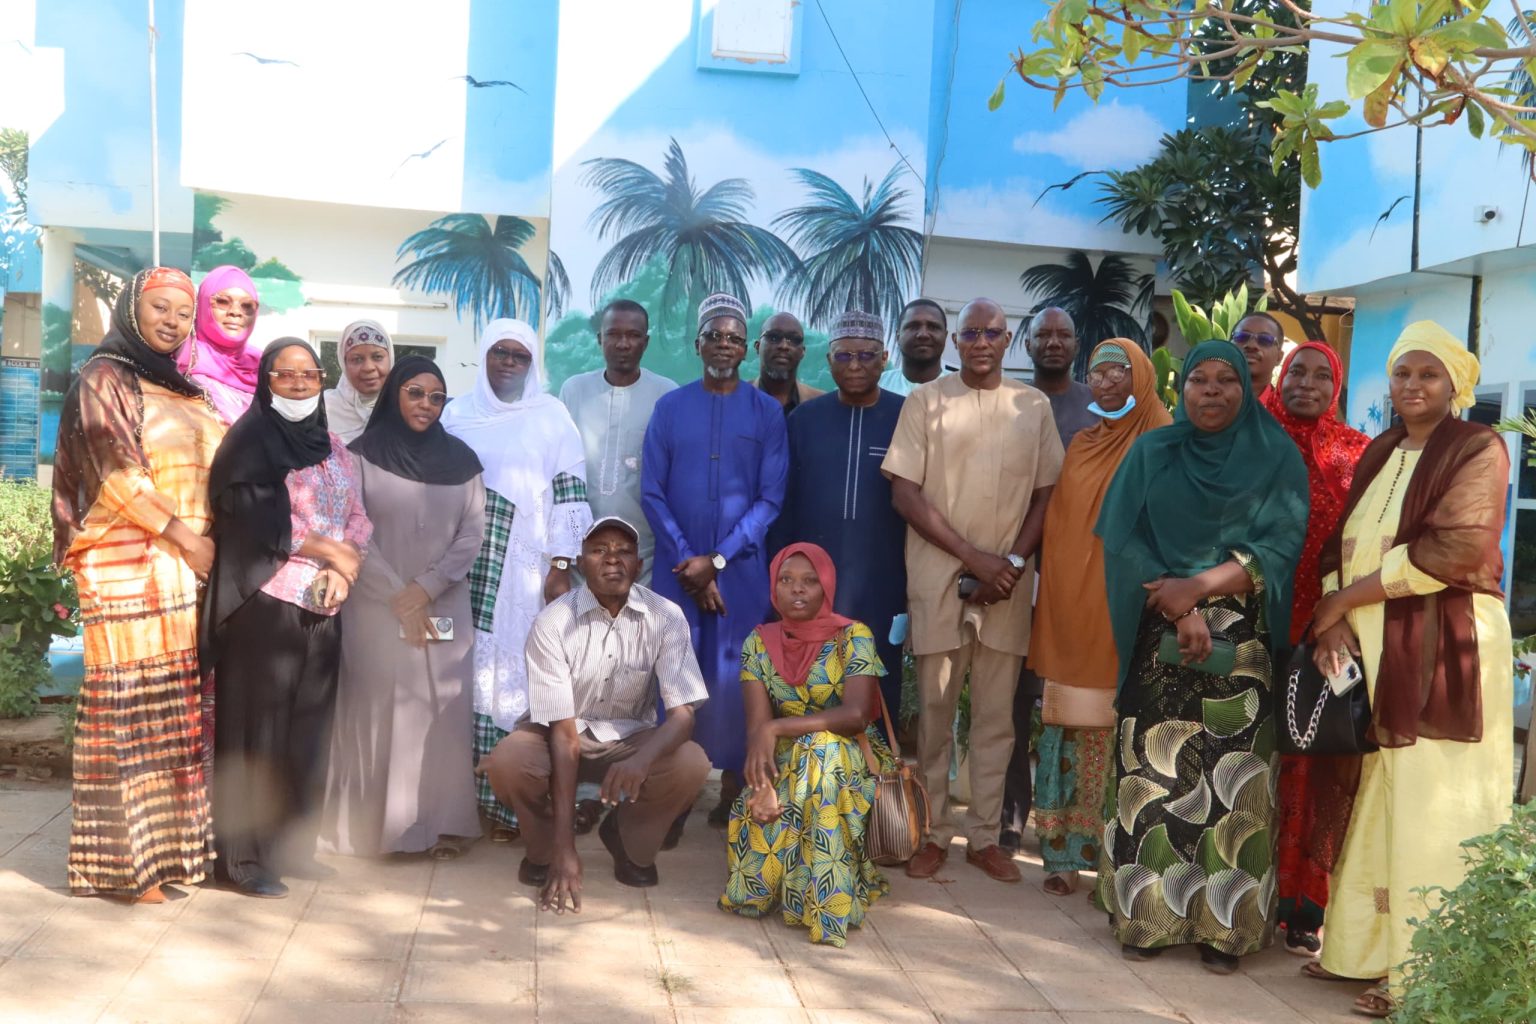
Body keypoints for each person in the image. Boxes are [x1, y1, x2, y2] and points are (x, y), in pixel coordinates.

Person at [1309, 322, 1513, 1018]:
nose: (1412, 385)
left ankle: (1427, 972)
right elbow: (1343, 544)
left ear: (1455, 384)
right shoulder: (1383, 450)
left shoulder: (1477, 448)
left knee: (1435, 807)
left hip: (1444, 648)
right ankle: (1360, 951)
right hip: (1377, 647)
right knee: (1384, 796)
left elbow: (1453, 551)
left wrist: (1342, 601)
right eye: (1402, 372)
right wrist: (1334, 618)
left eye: (1428, 374)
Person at [1095, 340, 1307, 973]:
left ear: (1248, 387)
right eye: (1199, 380)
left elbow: (1280, 545)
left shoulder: (1275, 456)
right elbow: (1123, 538)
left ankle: (1224, 930)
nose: (1211, 391)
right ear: (1181, 388)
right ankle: (1147, 917)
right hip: (1159, 628)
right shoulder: (1152, 452)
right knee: (1155, 776)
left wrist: (1200, 588)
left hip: (1241, 642)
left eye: (1226, 380)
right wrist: (1179, 605)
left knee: (1233, 782)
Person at [51, 267, 224, 903]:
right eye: (160, 308)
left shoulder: (182, 386)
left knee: (169, 711)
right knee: (126, 711)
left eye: (183, 312)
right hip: (125, 561)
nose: (172, 321)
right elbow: (118, 475)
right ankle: (124, 868)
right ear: (132, 309)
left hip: (181, 564)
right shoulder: (105, 376)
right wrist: (188, 539)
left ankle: (163, 857)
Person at [881, 297, 1063, 884]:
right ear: (956, 343)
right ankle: (933, 833)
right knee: (935, 715)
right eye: (971, 333)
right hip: (938, 577)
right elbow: (904, 493)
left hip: (1007, 585)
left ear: (1008, 341)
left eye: (992, 332)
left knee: (996, 718)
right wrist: (974, 558)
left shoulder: (1032, 406)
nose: (981, 342)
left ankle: (984, 837)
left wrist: (1010, 563)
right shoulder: (925, 401)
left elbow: (1047, 495)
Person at [204, 339, 371, 899]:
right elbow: (252, 517)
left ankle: (292, 848)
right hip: (267, 603)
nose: (299, 384)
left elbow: (358, 516)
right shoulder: (249, 442)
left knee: (308, 731)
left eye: (310, 374)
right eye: (286, 374)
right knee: (259, 732)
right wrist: (328, 549)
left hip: (326, 603)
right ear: (266, 380)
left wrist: (345, 566)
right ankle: (242, 860)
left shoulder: (334, 446)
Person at [486, 516, 711, 911]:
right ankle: (544, 847)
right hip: (558, 734)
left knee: (692, 762)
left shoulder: (666, 616)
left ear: (638, 565)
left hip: (628, 738)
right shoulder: (554, 622)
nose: (612, 559)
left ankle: (628, 838)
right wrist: (565, 848)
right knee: (509, 760)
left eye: (623, 551)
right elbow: (563, 733)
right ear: (581, 563)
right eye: (599, 550)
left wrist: (641, 760)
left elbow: (683, 715)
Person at [321, 356, 486, 860]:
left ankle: (441, 826)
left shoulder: (464, 461)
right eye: (415, 392)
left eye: (436, 397)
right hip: (376, 606)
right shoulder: (359, 456)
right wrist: (399, 594)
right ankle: (377, 830)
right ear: (395, 393)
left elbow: (471, 534)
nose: (426, 405)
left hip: (443, 605)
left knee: (439, 712)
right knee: (378, 709)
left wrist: (426, 589)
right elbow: (352, 529)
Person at [1026, 340, 1170, 896]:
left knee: (1126, 734)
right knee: (1068, 724)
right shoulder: (1084, 443)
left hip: (1132, 608)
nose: (1106, 382)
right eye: (1097, 373)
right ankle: (1063, 854)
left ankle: (1117, 864)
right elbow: (1062, 530)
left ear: (1142, 378)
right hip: (1071, 607)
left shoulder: (1163, 440)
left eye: (1118, 372)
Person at [442, 319, 591, 842]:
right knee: (460, 672)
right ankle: (459, 805)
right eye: (499, 352)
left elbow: (570, 492)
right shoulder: (456, 414)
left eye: (520, 355)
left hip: (523, 567)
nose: (508, 362)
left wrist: (561, 565)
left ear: (532, 363)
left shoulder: (550, 416)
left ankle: (509, 807)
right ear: (483, 354)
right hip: (461, 559)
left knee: (512, 676)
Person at [642, 294, 788, 824]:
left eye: (733, 338)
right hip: (677, 574)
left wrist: (717, 561)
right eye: (713, 336)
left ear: (746, 348)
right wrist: (690, 561)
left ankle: (734, 793)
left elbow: (769, 499)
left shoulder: (767, 412)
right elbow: (652, 491)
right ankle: (672, 800)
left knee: (737, 682)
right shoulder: (670, 408)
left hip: (740, 576)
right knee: (675, 681)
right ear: (697, 343)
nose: (723, 345)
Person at [719, 542, 895, 946]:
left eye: (809, 581)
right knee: (768, 813)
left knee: (821, 751)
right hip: (783, 758)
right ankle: (804, 893)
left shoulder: (854, 636)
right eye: (786, 580)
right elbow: (758, 731)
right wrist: (763, 787)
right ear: (773, 588)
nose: (797, 589)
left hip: (850, 758)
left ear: (826, 586)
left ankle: (828, 906)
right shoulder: (758, 643)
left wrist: (779, 727)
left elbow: (855, 715)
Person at [1260, 341, 1372, 956]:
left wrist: (1339, 614)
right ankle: (1249, 894)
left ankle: (1304, 904)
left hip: (1328, 629)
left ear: (1338, 385)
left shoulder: (1358, 451)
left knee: (1318, 760)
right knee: (1259, 759)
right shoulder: (1252, 438)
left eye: (1320, 374)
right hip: (1255, 622)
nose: (1306, 383)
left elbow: (1371, 542)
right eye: (1296, 371)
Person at [771, 310, 907, 719]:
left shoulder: (906, 417)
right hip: (812, 581)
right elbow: (785, 504)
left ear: (885, 358)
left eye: (866, 356)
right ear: (829, 360)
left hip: (884, 580)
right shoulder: (805, 420)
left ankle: (875, 761)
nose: (855, 366)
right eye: (844, 356)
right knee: (809, 684)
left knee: (878, 686)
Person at [1001, 305, 1099, 852]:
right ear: (1028, 343)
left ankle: (1068, 827)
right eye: (1044, 335)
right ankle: (1010, 816)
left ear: (1076, 344)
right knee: (1012, 698)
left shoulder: (1097, 406)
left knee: (1072, 702)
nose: (1054, 342)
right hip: (1015, 568)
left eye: (1064, 334)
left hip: (1077, 573)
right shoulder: (1009, 402)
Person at [558, 299, 677, 586]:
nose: (623, 344)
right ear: (600, 339)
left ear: (646, 342)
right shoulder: (574, 390)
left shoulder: (667, 395)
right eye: (613, 334)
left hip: (644, 554)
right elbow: (559, 472)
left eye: (633, 335)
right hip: (580, 552)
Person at [176, 264, 262, 425]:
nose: (235, 312)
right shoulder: (183, 359)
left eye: (247, 306)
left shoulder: (264, 365)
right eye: (223, 302)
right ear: (202, 304)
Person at [323, 320, 395, 443]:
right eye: (357, 359)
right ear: (344, 364)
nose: (368, 368)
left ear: (390, 358)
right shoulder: (323, 408)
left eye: (377, 357)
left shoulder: (403, 408)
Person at [751, 311, 824, 413]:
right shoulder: (735, 399)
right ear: (757, 347)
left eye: (794, 339)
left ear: (803, 351)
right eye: (774, 337)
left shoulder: (821, 405)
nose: (784, 346)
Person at [879, 299, 948, 397]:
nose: (923, 334)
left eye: (933, 327)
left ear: (945, 336)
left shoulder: (962, 390)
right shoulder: (877, 385)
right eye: (913, 327)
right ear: (898, 336)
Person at [1231, 312, 1286, 402]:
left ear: (1279, 358)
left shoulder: (1283, 409)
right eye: (1242, 336)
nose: (1251, 345)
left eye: (1264, 340)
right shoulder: (1208, 399)